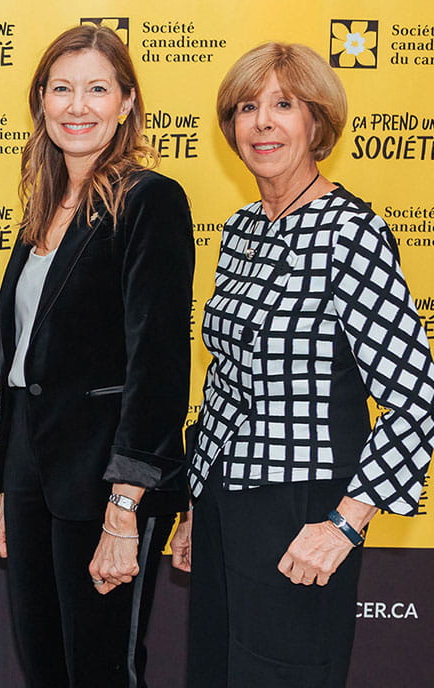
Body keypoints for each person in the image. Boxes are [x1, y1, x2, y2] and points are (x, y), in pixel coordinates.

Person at [170, 42, 434, 687]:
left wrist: (345, 524)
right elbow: (228, 385)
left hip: (303, 515)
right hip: (226, 508)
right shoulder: (241, 230)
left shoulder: (352, 234)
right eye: (246, 108)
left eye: (283, 105)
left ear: (316, 121)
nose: (261, 123)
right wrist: (197, 504)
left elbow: (415, 399)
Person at [0, 24, 194, 688]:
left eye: (98, 89)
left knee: (101, 672)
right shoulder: (43, 208)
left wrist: (126, 505)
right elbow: (25, 365)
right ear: (41, 100)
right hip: (32, 476)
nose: (78, 107)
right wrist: (8, 491)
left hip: (108, 481)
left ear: (127, 102)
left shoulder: (150, 201)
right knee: (45, 668)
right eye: (63, 89)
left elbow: (157, 366)